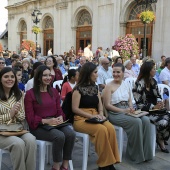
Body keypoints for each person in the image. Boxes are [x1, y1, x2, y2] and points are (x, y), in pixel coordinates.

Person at [24, 65, 76, 170]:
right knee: (59, 136)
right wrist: (47, 121)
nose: (48, 78)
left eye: (49, 75)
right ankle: (56, 166)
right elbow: (30, 118)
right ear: (38, 77)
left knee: (71, 133)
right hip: (38, 126)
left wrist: (61, 117)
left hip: (55, 122)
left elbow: (59, 110)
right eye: (44, 75)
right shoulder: (30, 94)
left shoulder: (54, 91)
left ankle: (65, 165)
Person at [72, 62, 120, 170]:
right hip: (80, 119)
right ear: (88, 74)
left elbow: (99, 104)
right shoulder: (78, 89)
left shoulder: (95, 87)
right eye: (95, 72)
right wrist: (90, 116)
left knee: (110, 128)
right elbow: (75, 109)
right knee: (101, 130)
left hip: (95, 115)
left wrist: (101, 114)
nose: (97, 74)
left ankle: (111, 161)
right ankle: (105, 165)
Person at [103, 63, 153, 163]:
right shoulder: (108, 86)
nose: (116, 74)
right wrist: (123, 110)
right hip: (115, 113)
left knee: (146, 120)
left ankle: (146, 154)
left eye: (118, 72)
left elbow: (130, 99)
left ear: (123, 73)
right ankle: (135, 155)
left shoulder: (126, 84)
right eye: (114, 72)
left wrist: (130, 107)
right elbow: (107, 105)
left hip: (127, 109)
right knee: (136, 122)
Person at [0, 67, 36, 170]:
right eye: (6, 77)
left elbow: (22, 117)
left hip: (17, 128)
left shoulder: (18, 94)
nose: (10, 79)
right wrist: (10, 114)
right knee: (18, 144)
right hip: (1, 131)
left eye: (12, 76)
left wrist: (16, 113)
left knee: (31, 140)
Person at [133, 61, 170, 153]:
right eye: (153, 69)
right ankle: (160, 140)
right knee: (164, 122)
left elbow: (157, 95)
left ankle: (161, 137)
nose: (155, 70)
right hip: (145, 110)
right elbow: (138, 103)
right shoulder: (139, 83)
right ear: (148, 71)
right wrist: (153, 107)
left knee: (168, 118)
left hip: (156, 109)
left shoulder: (153, 81)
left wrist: (160, 102)